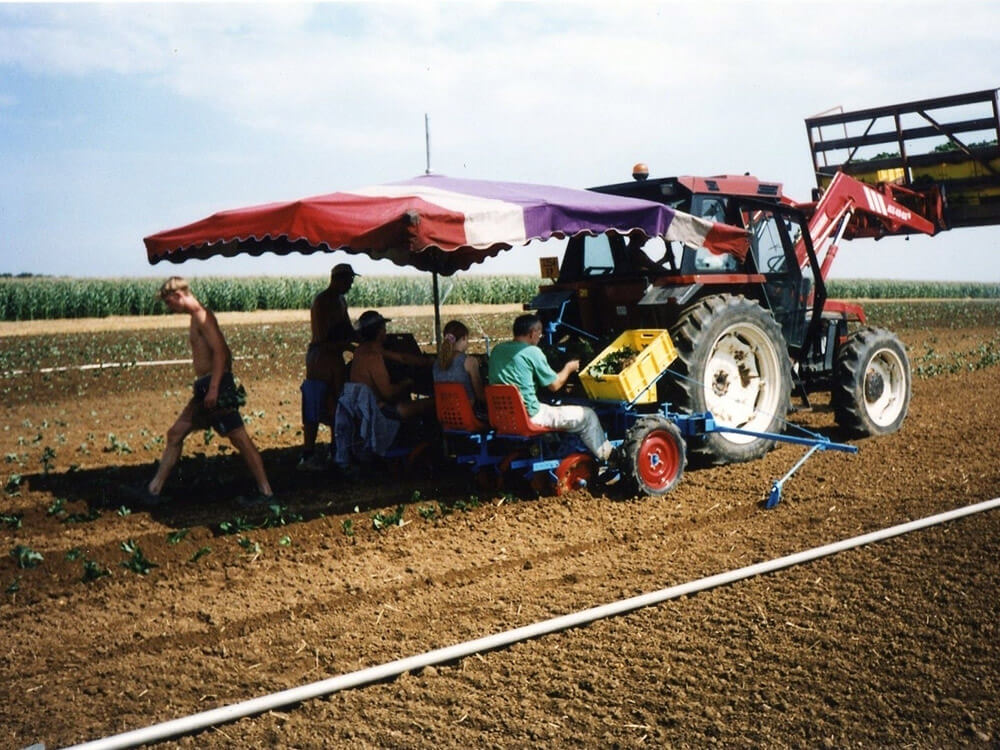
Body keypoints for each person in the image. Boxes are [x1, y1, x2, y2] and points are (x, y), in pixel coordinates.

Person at [145, 277, 273, 504]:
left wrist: (214, 389)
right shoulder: (196, 317)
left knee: (239, 438)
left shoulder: (203, 317)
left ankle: (266, 493)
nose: (170, 308)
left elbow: (221, 352)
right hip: (205, 387)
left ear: (178, 296)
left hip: (217, 385)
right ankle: (154, 490)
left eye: (169, 303)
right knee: (176, 433)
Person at [488, 313, 613, 463]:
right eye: (540, 332)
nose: (540, 336)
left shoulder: (497, 350)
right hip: (531, 415)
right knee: (588, 415)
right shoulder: (532, 352)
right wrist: (569, 367)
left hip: (503, 416)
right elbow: (555, 385)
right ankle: (609, 457)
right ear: (532, 333)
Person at [299, 263, 359, 471]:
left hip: (334, 358)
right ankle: (307, 454)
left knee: (337, 403)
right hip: (320, 359)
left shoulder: (341, 300)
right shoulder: (323, 301)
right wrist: (349, 346)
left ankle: (337, 449)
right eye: (349, 280)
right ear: (337, 279)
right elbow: (324, 339)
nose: (351, 285)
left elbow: (348, 330)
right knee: (315, 405)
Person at [348, 310, 435, 421]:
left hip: (361, 407)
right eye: (384, 328)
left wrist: (426, 362)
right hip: (377, 411)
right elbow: (388, 393)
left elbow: (401, 358)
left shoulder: (361, 350)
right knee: (432, 403)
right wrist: (405, 383)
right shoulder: (373, 357)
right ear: (380, 332)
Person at [432, 320, 486, 418]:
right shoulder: (469, 361)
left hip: (446, 417)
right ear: (464, 338)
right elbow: (480, 395)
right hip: (468, 416)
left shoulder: (436, 363)